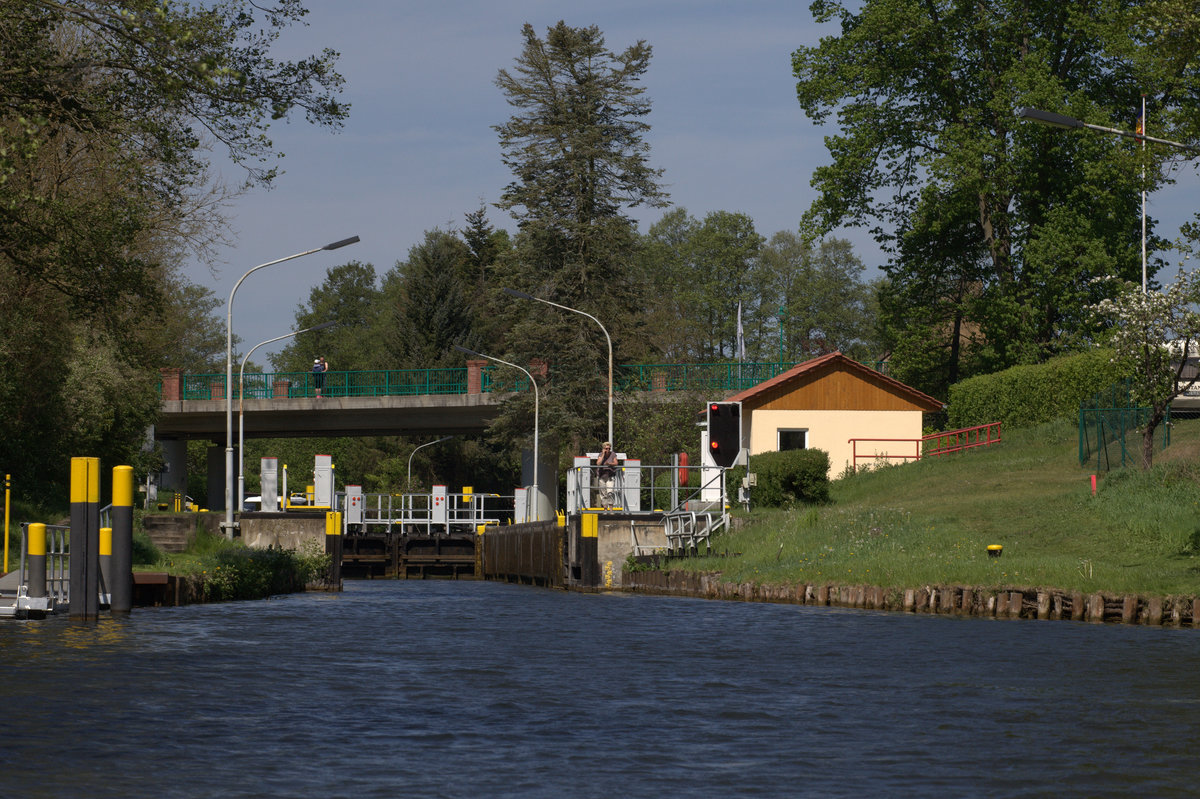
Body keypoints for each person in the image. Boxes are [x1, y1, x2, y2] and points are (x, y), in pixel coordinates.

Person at [596, 441, 619, 510]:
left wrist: (609, 464)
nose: (608, 450)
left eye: (609, 448)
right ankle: (605, 509)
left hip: (610, 476)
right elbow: (598, 463)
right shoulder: (600, 454)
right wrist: (603, 455)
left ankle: (611, 509)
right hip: (602, 476)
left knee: (610, 492)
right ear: (603, 449)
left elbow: (616, 463)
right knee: (603, 494)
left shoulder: (613, 454)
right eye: (606, 448)